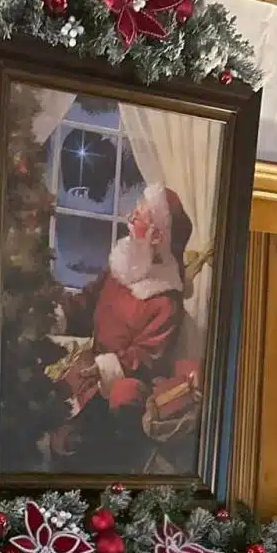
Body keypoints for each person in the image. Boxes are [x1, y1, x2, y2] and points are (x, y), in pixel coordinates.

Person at [49, 183, 193, 467]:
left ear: (156, 236)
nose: (131, 217)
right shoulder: (123, 267)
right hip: (91, 366)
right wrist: (59, 314)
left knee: (104, 413)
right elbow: (88, 301)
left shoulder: (165, 300)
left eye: (140, 215)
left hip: (125, 381)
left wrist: (104, 368)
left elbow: (146, 358)